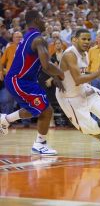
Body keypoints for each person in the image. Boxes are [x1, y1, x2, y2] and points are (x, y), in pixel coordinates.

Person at [0, 10, 64, 155]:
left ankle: (6, 119)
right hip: (20, 80)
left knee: (41, 109)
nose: (45, 22)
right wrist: (60, 73)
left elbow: (41, 64)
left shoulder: (29, 37)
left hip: (24, 80)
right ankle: (39, 144)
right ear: (35, 20)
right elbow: (46, 64)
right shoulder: (38, 39)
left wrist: (54, 77)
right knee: (46, 110)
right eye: (42, 19)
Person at [56, 28, 100, 152]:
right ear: (75, 40)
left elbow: (83, 73)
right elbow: (78, 79)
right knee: (86, 125)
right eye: (83, 39)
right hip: (69, 96)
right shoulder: (70, 54)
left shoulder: (85, 53)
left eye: (89, 39)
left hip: (82, 88)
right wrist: (99, 73)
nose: (86, 42)